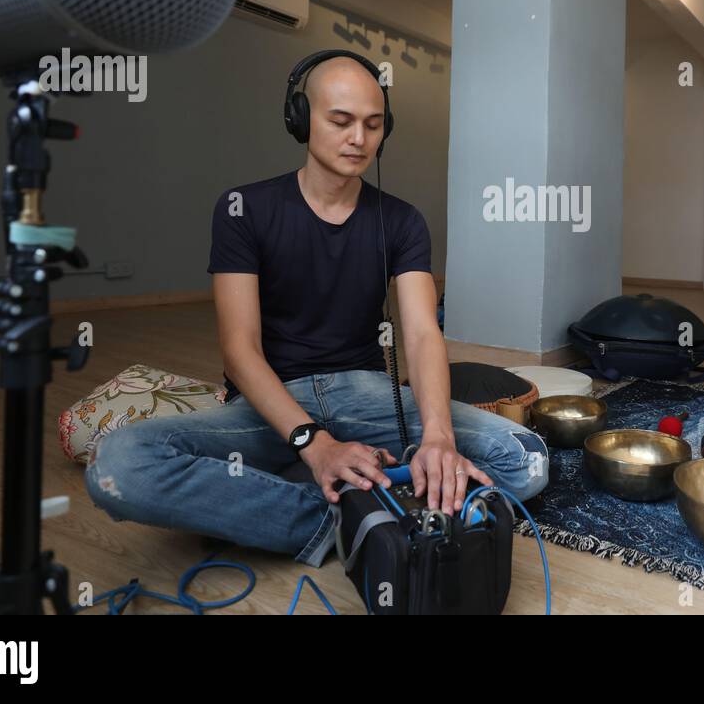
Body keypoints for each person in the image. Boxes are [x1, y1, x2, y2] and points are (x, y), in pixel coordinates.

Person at [85, 51, 548, 567]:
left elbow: (420, 334)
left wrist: (438, 437)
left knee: (525, 458)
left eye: (373, 125)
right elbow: (240, 350)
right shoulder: (243, 209)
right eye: (341, 121)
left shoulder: (402, 220)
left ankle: (289, 502)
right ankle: (352, 516)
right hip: (271, 405)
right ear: (300, 119)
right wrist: (313, 442)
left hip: (366, 394)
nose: (359, 139)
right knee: (120, 464)